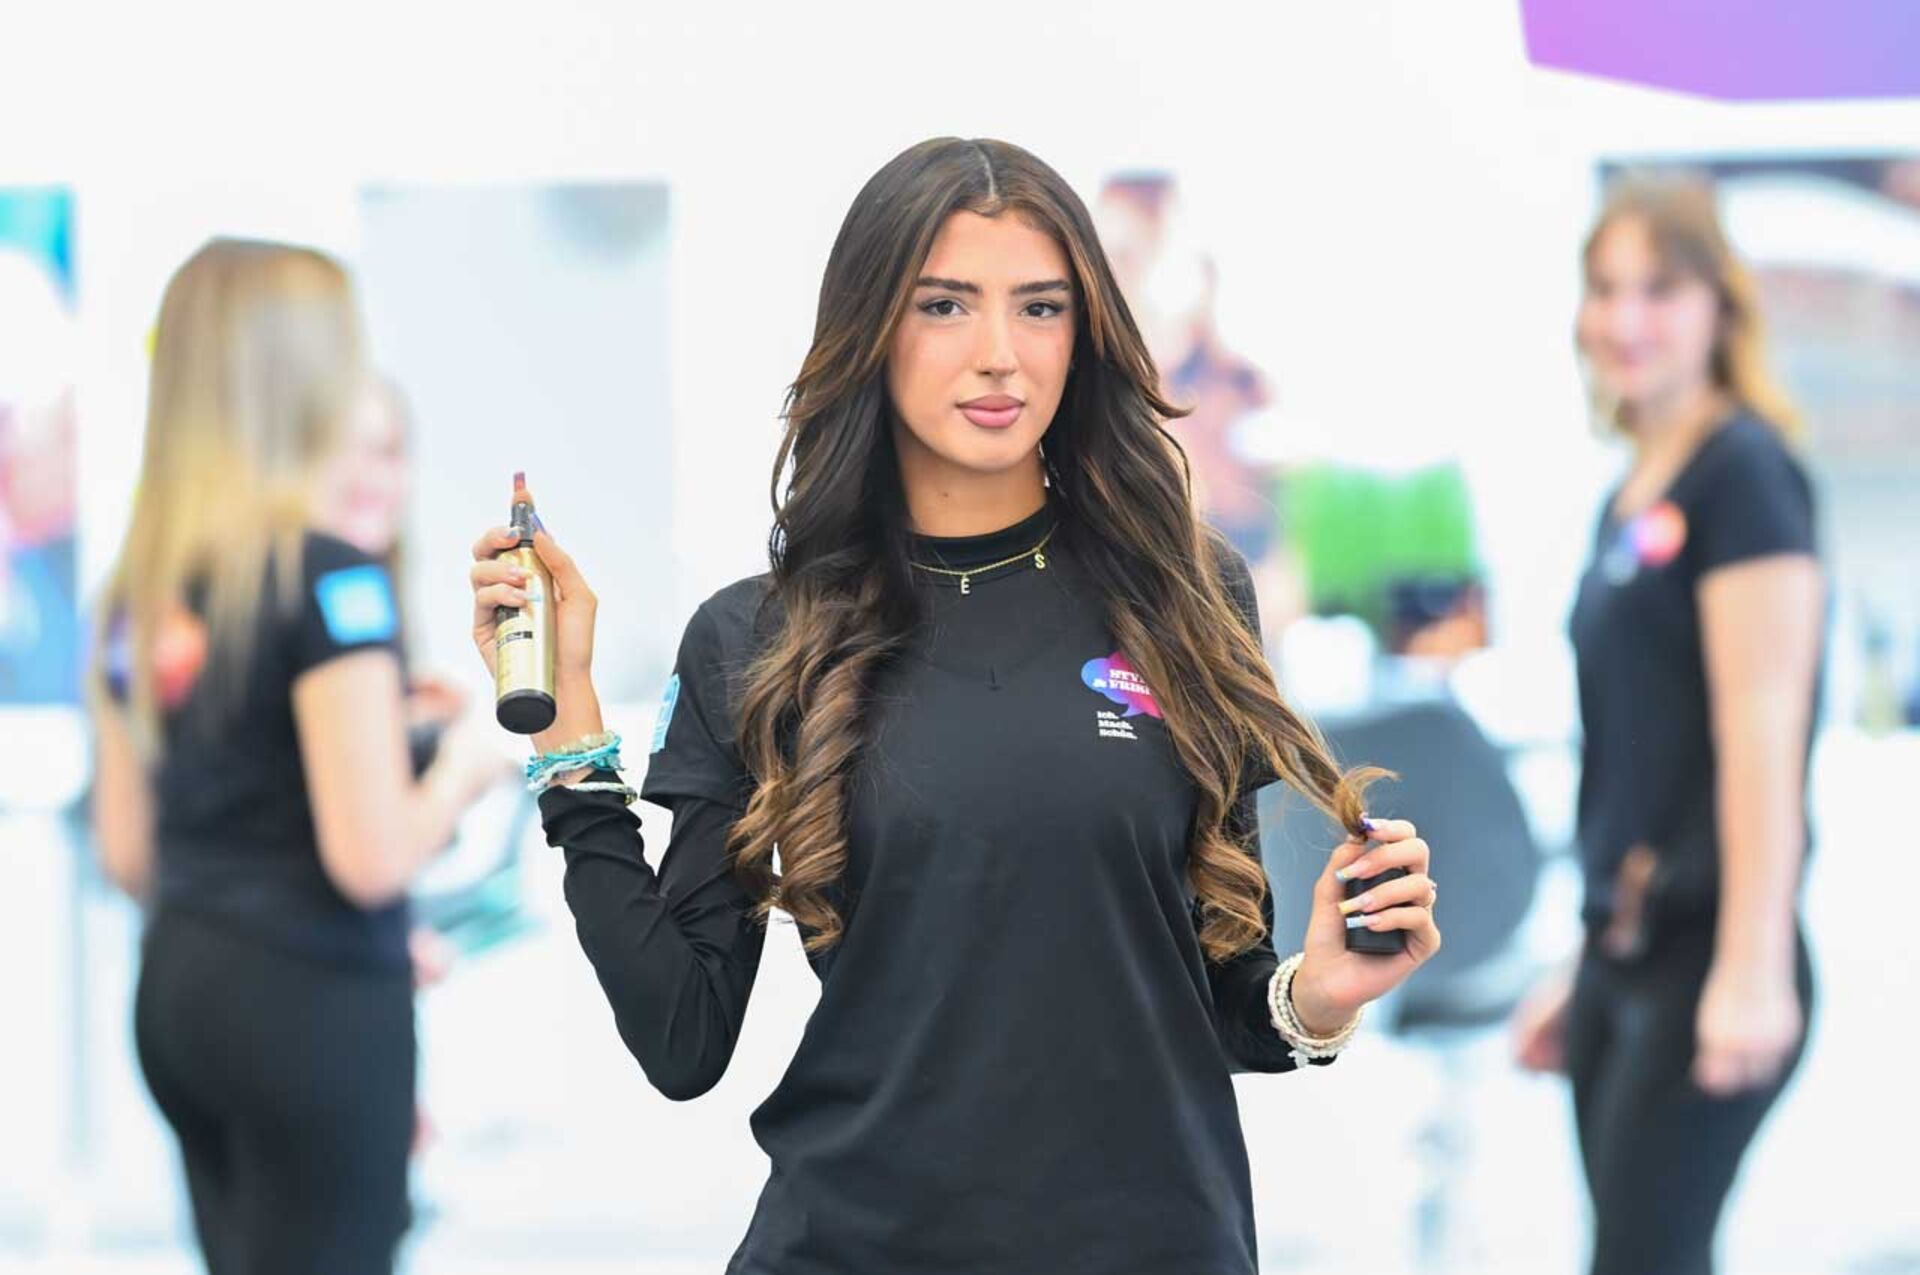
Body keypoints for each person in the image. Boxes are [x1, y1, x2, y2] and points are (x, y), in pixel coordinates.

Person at [466, 137, 1442, 1275]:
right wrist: (568, 738)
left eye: (1040, 307)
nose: (999, 355)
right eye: (944, 305)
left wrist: (1316, 997)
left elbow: (1218, 997)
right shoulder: (760, 636)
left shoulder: (1187, 596)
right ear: (872, 328)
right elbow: (682, 1037)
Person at [89, 239, 503, 1275]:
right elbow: (372, 858)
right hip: (308, 1007)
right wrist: (468, 762)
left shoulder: (142, 591)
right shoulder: (331, 580)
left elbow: (130, 853)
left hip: (180, 995)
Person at [1511, 178, 1824, 1275]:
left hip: (1708, 949)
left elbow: (1763, 732)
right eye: (1605, 289)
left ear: (1719, 309)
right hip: (1625, 948)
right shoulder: (1632, 493)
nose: (1626, 318)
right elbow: (1635, 757)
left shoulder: (1746, 475)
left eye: (1659, 289)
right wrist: (1586, 957)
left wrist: (1753, 963)